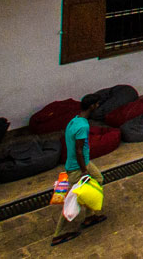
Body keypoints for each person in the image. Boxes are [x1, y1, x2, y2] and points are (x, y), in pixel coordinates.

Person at [51, 93, 107, 247]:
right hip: (79, 166)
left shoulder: (74, 121)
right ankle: (59, 233)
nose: (98, 107)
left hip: (78, 163)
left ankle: (89, 215)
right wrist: (84, 171)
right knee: (72, 198)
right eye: (96, 105)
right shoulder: (83, 126)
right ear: (92, 106)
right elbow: (79, 150)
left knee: (98, 180)